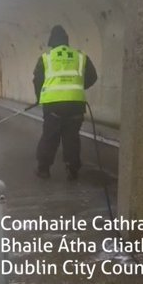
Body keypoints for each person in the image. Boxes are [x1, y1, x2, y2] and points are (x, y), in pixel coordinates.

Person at [33, 25, 97, 180]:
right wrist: (77, 87)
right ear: (66, 41)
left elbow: (38, 81)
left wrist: (39, 98)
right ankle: (72, 170)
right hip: (75, 105)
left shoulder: (45, 58)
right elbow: (92, 77)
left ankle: (44, 170)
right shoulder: (80, 56)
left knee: (50, 137)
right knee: (72, 138)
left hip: (53, 106)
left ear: (51, 41)